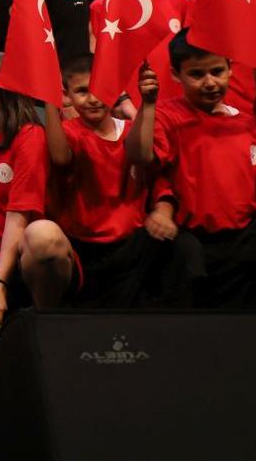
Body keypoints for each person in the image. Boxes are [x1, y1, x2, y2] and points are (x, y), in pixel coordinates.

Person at [133, 31, 256, 335]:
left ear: (230, 68)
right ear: (175, 74)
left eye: (217, 71)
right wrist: (147, 106)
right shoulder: (166, 117)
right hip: (193, 240)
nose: (210, 82)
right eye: (197, 74)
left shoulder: (248, 124)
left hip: (245, 236)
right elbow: (144, 159)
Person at [45, 55, 196, 307]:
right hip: (85, 249)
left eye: (101, 89)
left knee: (186, 249)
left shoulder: (131, 130)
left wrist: (163, 210)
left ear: (117, 90)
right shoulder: (68, 133)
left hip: (132, 245)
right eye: (82, 91)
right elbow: (60, 158)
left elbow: (149, 166)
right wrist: (50, 102)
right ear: (66, 95)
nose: (93, 99)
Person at [0, 52, 74, 320]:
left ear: (7, 90)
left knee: (44, 235)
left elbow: (18, 214)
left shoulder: (30, 137)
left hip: (23, 260)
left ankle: (44, 318)